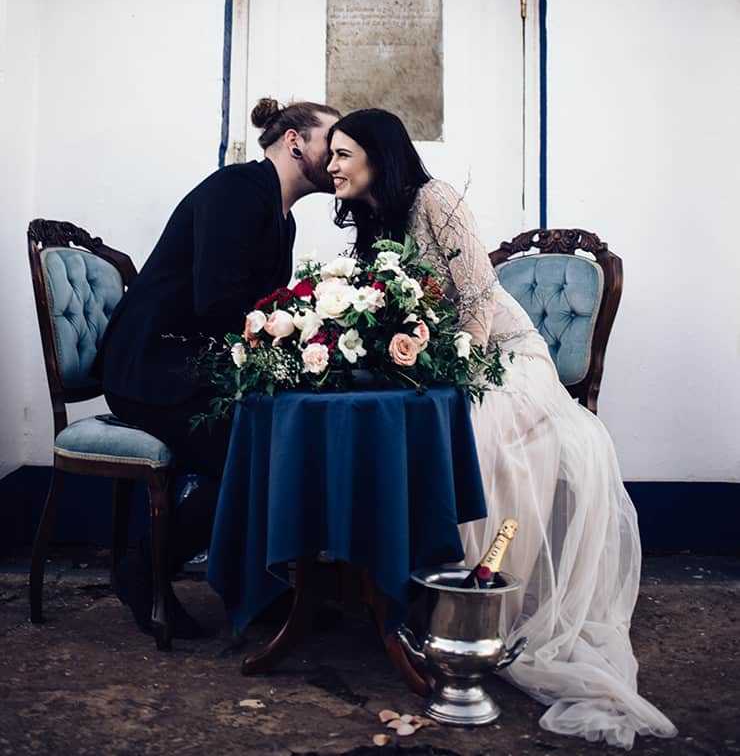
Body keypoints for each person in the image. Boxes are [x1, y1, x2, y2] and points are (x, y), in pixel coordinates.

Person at [326, 108, 676, 749]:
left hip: (501, 355)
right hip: (440, 353)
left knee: (468, 426)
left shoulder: (436, 199)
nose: (332, 166)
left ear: (378, 153)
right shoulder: (377, 219)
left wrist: (455, 374)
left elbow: (478, 297)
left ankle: (457, 609)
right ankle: (387, 587)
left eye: (343, 153)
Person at [98, 96, 340, 636]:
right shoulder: (237, 190)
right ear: (295, 141)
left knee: (284, 431)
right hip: (151, 362)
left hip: (194, 359)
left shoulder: (283, 218)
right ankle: (143, 572)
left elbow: (256, 312)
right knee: (256, 442)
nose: (341, 155)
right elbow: (219, 305)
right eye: (333, 142)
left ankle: (265, 587)